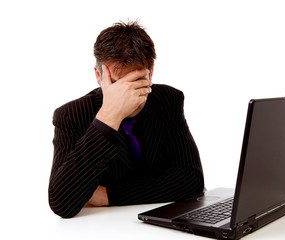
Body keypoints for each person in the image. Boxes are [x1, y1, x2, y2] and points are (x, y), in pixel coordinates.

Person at [48, 21, 205, 218]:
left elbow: (191, 180)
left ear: (151, 74)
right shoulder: (72, 115)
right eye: (117, 84)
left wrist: (109, 195)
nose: (127, 94)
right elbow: (62, 204)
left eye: (136, 82)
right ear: (99, 76)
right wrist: (108, 118)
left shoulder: (168, 100)